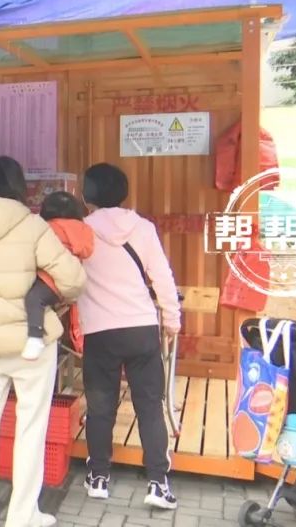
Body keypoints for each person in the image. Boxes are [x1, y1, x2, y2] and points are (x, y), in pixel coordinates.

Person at [0, 156, 85, 527]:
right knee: (30, 428)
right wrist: (46, 296)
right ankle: (23, 516)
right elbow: (73, 278)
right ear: (19, 187)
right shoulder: (31, 224)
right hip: (29, 342)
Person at [78, 163, 181, 510]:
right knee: (150, 406)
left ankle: (98, 478)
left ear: (86, 195)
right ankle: (158, 483)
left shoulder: (81, 231)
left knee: (100, 407)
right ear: (123, 192)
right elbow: (162, 276)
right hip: (141, 329)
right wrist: (172, 320)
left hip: (100, 332)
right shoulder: (143, 228)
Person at [22, 191, 94, 360]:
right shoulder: (83, 229)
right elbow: (86, 251)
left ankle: (35, 336)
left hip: (48, 279)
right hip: (68, 282)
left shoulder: (47, 227)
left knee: (33, 299)